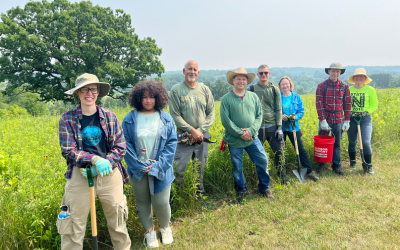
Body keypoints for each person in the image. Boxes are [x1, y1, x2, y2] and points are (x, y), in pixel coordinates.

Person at [58, 73, 131, 249]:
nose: (89, 93)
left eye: (93, 89)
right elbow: (68, 151)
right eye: (84, 89)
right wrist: (94, 159)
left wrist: (105, 163)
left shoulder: (110, 117)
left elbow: (120, 147)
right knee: (73, 226)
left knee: (118, 223)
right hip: (79, 175)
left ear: (98, 92)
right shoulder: (67, 119)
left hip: (109, 173)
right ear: (78, 92)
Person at [122, 80, 177, 248]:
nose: (148, 101)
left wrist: (157, 166)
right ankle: (149, 231)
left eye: (151, 97)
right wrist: (139, 165)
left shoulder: (166, 118)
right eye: (144, 97)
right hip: (137, 169)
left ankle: (165, 228)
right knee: (143, 201)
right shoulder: (129, 119)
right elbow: (125, 144)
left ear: (158, 98)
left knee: (161, 202)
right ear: (138, 99)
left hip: (161, 168)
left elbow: (171, 144)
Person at [221, 67, 274, 203]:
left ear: (247, 81)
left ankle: (264, 187)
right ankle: (241, 190)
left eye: (244, 79)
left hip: (252, 138)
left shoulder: (253, 97)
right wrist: (240, 133)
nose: (241, 81)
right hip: (234, 140)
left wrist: (250, 131)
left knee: (262, 160)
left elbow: (259, 116)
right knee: (237, 166)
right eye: (238, 78)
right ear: (233, 80)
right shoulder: (226, 99)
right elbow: (226, 121)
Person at [169, 60, 215, 198]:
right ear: (184, 71)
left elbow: (211, 113)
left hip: (202, 136)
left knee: (200, 167)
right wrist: (191, 130)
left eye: (195, 70)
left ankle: (198, 196)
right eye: (189, 69)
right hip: (183, 136)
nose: (192, 72)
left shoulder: (205, 90)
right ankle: (175, 198)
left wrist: (200, 130)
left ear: (198, 73)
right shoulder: (176, 90)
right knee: (179, 168)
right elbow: (175, 115)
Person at [249, 64, 288, 184]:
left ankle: (282, 177)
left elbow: (278, 109)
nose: (263, 75)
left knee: (280, 153)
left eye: (265, 72)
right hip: (257, 128)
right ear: (257, 74)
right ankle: (259, 179)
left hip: (272, 126)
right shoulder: (251, 89)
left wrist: (280, 128)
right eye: (261, 73)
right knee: (257, 156)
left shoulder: (274, 89)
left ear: (269, 74)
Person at [279, 76, 319, 181]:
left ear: (290, 84)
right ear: (280, 86)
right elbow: (274, 110)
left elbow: (301, 111)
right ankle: (282, 174)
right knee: (281, 150)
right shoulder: (277, 97)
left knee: (301, 149)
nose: (285, 86)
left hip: (293, 127)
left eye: (286, 83)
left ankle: (310, 171)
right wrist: (280, 116)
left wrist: (296, 117)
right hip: (281, 128)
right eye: (282, 84)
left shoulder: (296, 97)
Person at [316, 62, 351, 175]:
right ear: (329, 71)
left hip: (339, 119)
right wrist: (322, 120)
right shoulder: (322, 85)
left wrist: (347, 120)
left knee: (337, 144)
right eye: (333, 71)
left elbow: (347, 103)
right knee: (322, 143)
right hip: (326, 118)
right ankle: (321, 165)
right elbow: (319, 103)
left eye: (337, 71)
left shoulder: (344, 86)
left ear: (340, 73)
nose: (335, 73)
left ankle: (336, 165)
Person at [346, 68, 378, 174]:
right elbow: (344, 103)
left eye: (361, 76)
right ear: (354, 78)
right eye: (357, 76)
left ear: (364, 78)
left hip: (365, 119)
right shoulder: (349, 90)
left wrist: (366, 112)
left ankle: (368, 165)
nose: (359, 78)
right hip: (351, 118)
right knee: (352, 141)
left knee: (366, 142)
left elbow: (374, 105)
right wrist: (348, 112)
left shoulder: (370, 90)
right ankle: (353, 162)